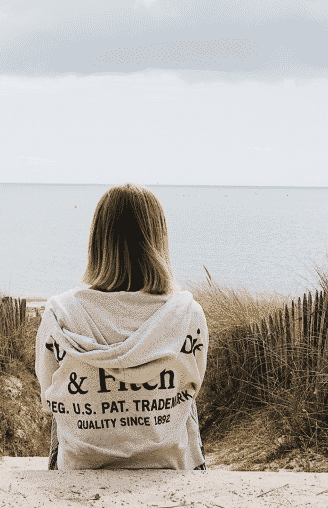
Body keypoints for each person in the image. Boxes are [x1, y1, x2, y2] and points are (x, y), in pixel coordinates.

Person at [35, 183, 209, 470]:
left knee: (61, 401)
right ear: (159, 240)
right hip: (165, 463)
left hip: (82, 465)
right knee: (186, 400)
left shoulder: (59, 312)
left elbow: (48, 397)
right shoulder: (187, 313)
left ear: (97, 241)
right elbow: (193, 384)